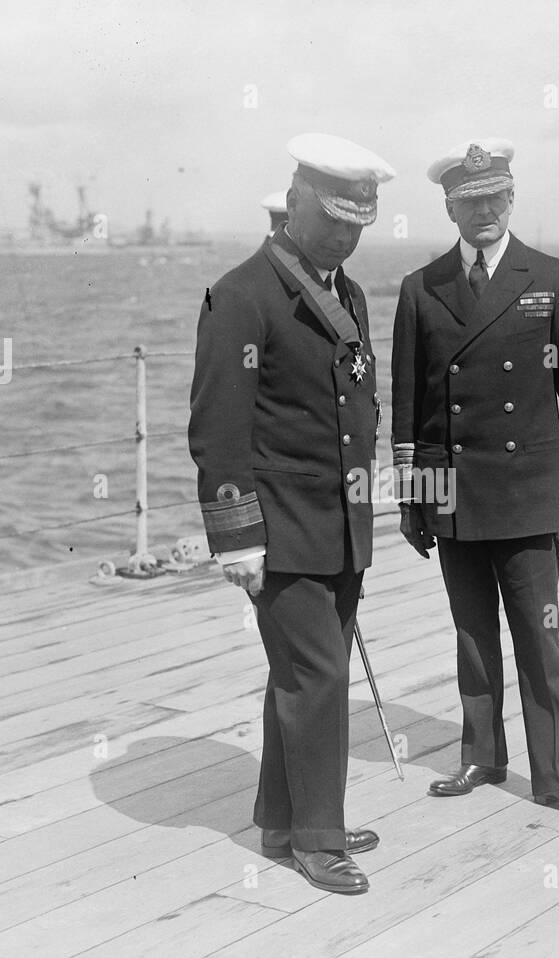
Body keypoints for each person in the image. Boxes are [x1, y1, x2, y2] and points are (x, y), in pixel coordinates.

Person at [188, 133, 395, 892]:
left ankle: (284, 819)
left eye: (358, 224)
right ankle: (318, 837)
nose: (345, 236)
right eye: (334, 219)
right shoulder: (241, 294)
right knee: (318, 676)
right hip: (277, 529)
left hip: (341, 524)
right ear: (296, 201)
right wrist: (236, 538)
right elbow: (217, 430)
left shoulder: (348, 295)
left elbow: (353, 410)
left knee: (302, 675)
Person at [390, 138, 559, 820]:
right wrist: (414, 499)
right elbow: (411, 408)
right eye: (467, 203)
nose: (481, 212)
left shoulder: (552, 278)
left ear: (511, 199)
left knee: (538, 635)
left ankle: (556, 775)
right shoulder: (420, 289)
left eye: (492, 199)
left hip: (528, 495)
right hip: (454, 495)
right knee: (471, 634)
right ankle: (482, 757)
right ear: (450, 209)